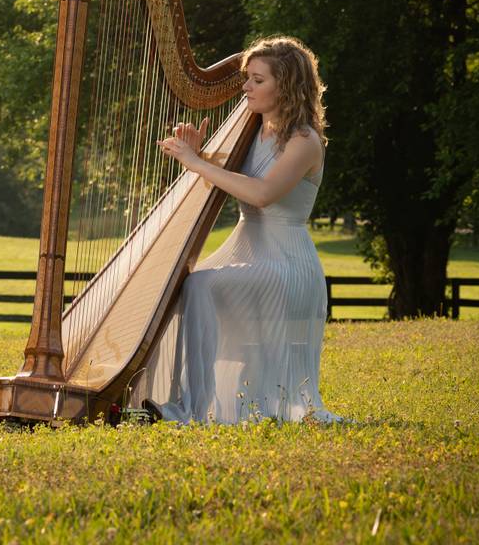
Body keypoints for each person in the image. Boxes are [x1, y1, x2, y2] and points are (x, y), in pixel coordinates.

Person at [141, 35, 341, 424]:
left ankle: (191, 409)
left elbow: (263, 194)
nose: (246, 87)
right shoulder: (252, 132)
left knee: (199, 286)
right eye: (247, 78)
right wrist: (199, 158)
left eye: (258, 80)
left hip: (287, 265)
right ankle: (182, 399)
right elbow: (221, 188)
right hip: (250, 250)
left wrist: (198, 163)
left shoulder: (304, 141)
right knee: (181, 282)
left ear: (286, 85)